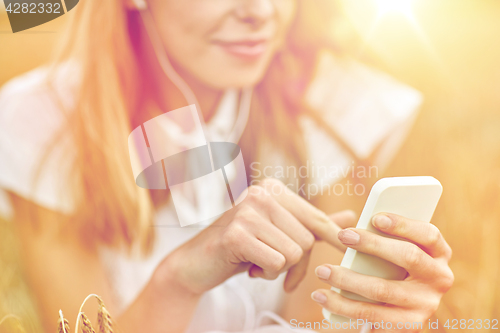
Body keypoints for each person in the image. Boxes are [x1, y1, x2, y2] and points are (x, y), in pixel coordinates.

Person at [0, 0, 454, 332]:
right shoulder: (45, 124)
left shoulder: (331, 107)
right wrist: (178, 279)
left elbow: (316, 322)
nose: (262, 11)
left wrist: (371, 321)